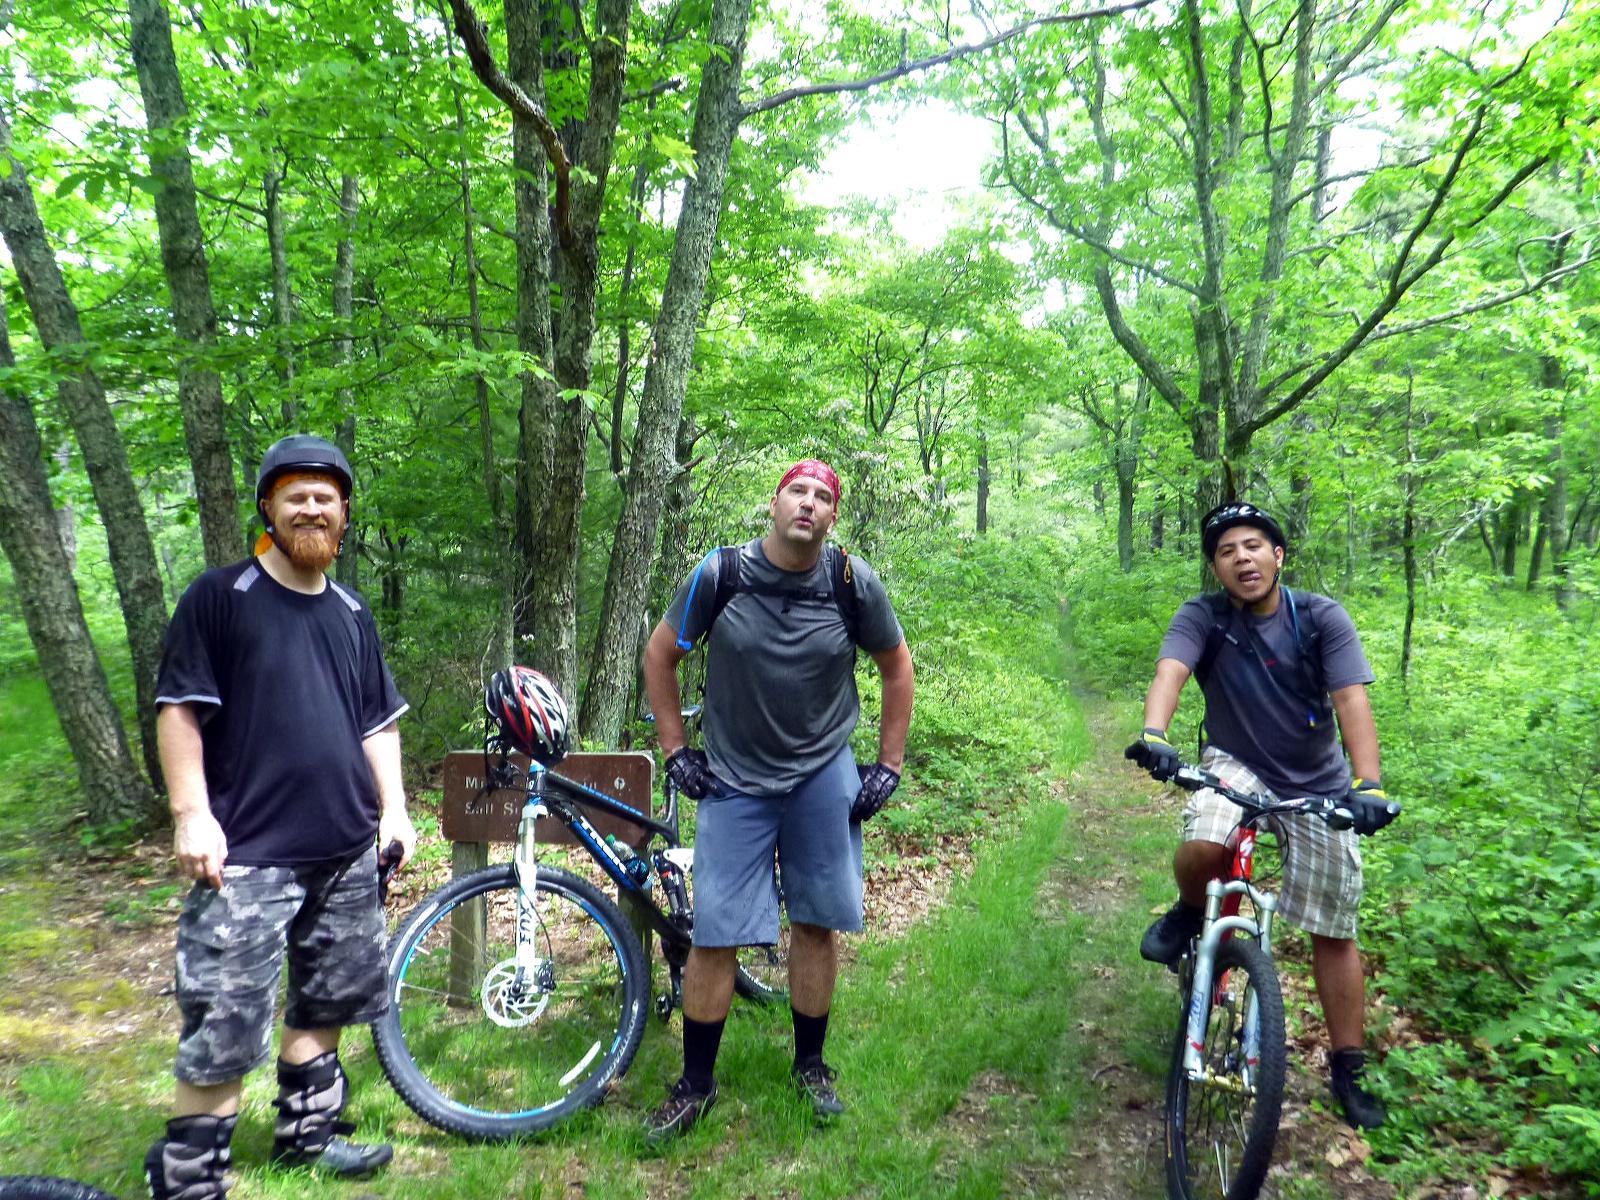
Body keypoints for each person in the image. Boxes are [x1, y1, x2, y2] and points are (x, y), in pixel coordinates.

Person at [144, 434, 416, 1198]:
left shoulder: (354, 612)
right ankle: (192, 1179)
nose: (311, 506)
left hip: (343, 851)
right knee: (225, 1023)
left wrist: (394, 811)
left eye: (326, 496)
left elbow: (377, 723)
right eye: (295, 493)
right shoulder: (219, 598)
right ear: (268, 506)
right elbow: (179, 712)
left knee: (328, 998)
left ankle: (309, 1137)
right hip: (248, 858)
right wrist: (190, 814)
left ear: (344, 514)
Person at [639, 458, 914, 1143]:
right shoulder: (721, 574)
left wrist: (888, 766)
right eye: (799, 490)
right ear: (774, 501)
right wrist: (677, 751)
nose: (810, 503)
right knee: (717, 932)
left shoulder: (851, 581)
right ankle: (695, 1085)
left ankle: (811, 1067)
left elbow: (897, 666)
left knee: (817, 921)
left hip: (823, 773)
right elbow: (660, 656)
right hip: (734, 776)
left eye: (824, 497)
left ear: (832, 517)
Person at [1128, 500, 1398, 1130]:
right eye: (1226, 551)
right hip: (1236, 762)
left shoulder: (1322, 618)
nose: (1241, 558)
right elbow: (1171, 669)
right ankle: (1191, 911)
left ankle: (1349, 1066)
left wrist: (1368, 783)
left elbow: (1350, 699)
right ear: (1216, 569)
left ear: (1278, 556)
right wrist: (1155, 733)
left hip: (1316, 779)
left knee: (1333, 922)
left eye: (1253, 546)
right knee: (1204, 833)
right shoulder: (1205, 617)